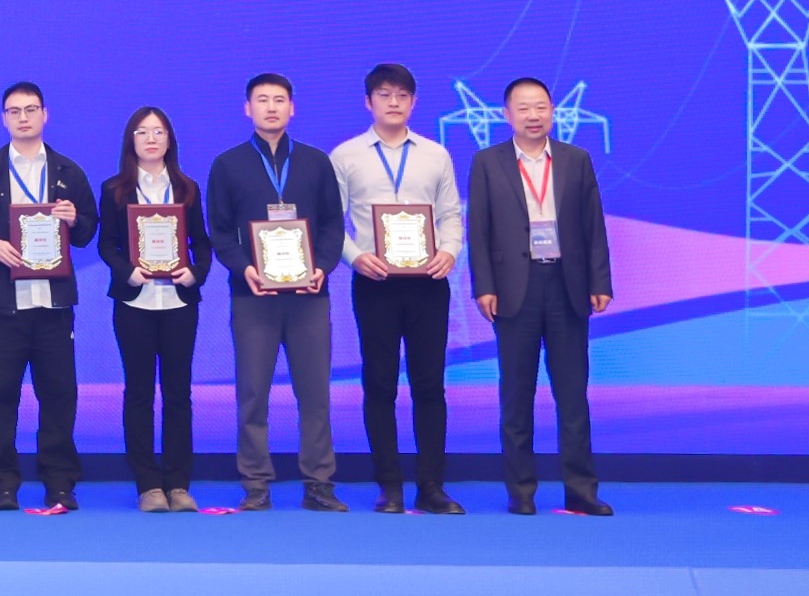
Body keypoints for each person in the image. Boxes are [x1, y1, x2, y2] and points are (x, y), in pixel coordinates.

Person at [468, 77, 615, 516]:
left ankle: (582, 491)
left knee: (573, 396)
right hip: (515, 288)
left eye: (541, 107)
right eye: (523, 108)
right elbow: (479, 230)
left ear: (552, 111)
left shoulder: (576, 159)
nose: (533, 116)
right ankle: (521, 492)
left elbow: (593, 225)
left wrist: (600, 281)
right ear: (507, 114)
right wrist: (484, 286)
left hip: (568, 285)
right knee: (517, 396)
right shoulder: (487, 162)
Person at [206, 73, 347, 512]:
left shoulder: (316, 162)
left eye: (279, 100)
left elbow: (333, 225)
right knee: (253, 392)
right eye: (262, 100)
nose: (271, 107)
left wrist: (322, 267)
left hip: (309, 295)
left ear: (292, 108)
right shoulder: (227, 164)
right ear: (247, 108)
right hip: (253, 296)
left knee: (315, 393)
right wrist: (244, 268)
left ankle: (319, 483)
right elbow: (219, 231)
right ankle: (255, 484)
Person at [330, 63, 466, 515]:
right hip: (376, 282)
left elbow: (450, 214)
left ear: (413, 103)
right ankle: (389, 485)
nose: (393, 102)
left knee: (430, 385)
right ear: (368, 102)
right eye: (384, 94)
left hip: (429, 282)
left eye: (402, 95)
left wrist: (449, 251)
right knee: (379, 384)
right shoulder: (346, 156)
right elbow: (331, 220)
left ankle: (432, 486)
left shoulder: (436, 155)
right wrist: (355, 257)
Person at [0, 81, 97, 512]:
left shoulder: (68, 172)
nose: (23, 117)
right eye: (14, 111)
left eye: (30, 109)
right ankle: (2, 483)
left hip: (53, 303)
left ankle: (59, 483)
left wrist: (74, 219)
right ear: (4, 119)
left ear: (44, 114)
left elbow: (88, 231)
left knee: (59, 394)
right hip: (4, 303)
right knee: (1, 395)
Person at [97, 107, 212, 512]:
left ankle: (178, 484)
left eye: (159, 132)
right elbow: (106, 244)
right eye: (142, 132)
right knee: (139, 392)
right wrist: (127, 272)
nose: (151, 138)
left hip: (179, 302)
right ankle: (148, 484)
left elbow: (202, 243)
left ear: (169, 140)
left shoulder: (187, 188)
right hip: (135, 302)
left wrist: (195, 273)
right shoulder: (115, 189)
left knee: (179, 393)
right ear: (131, 140)